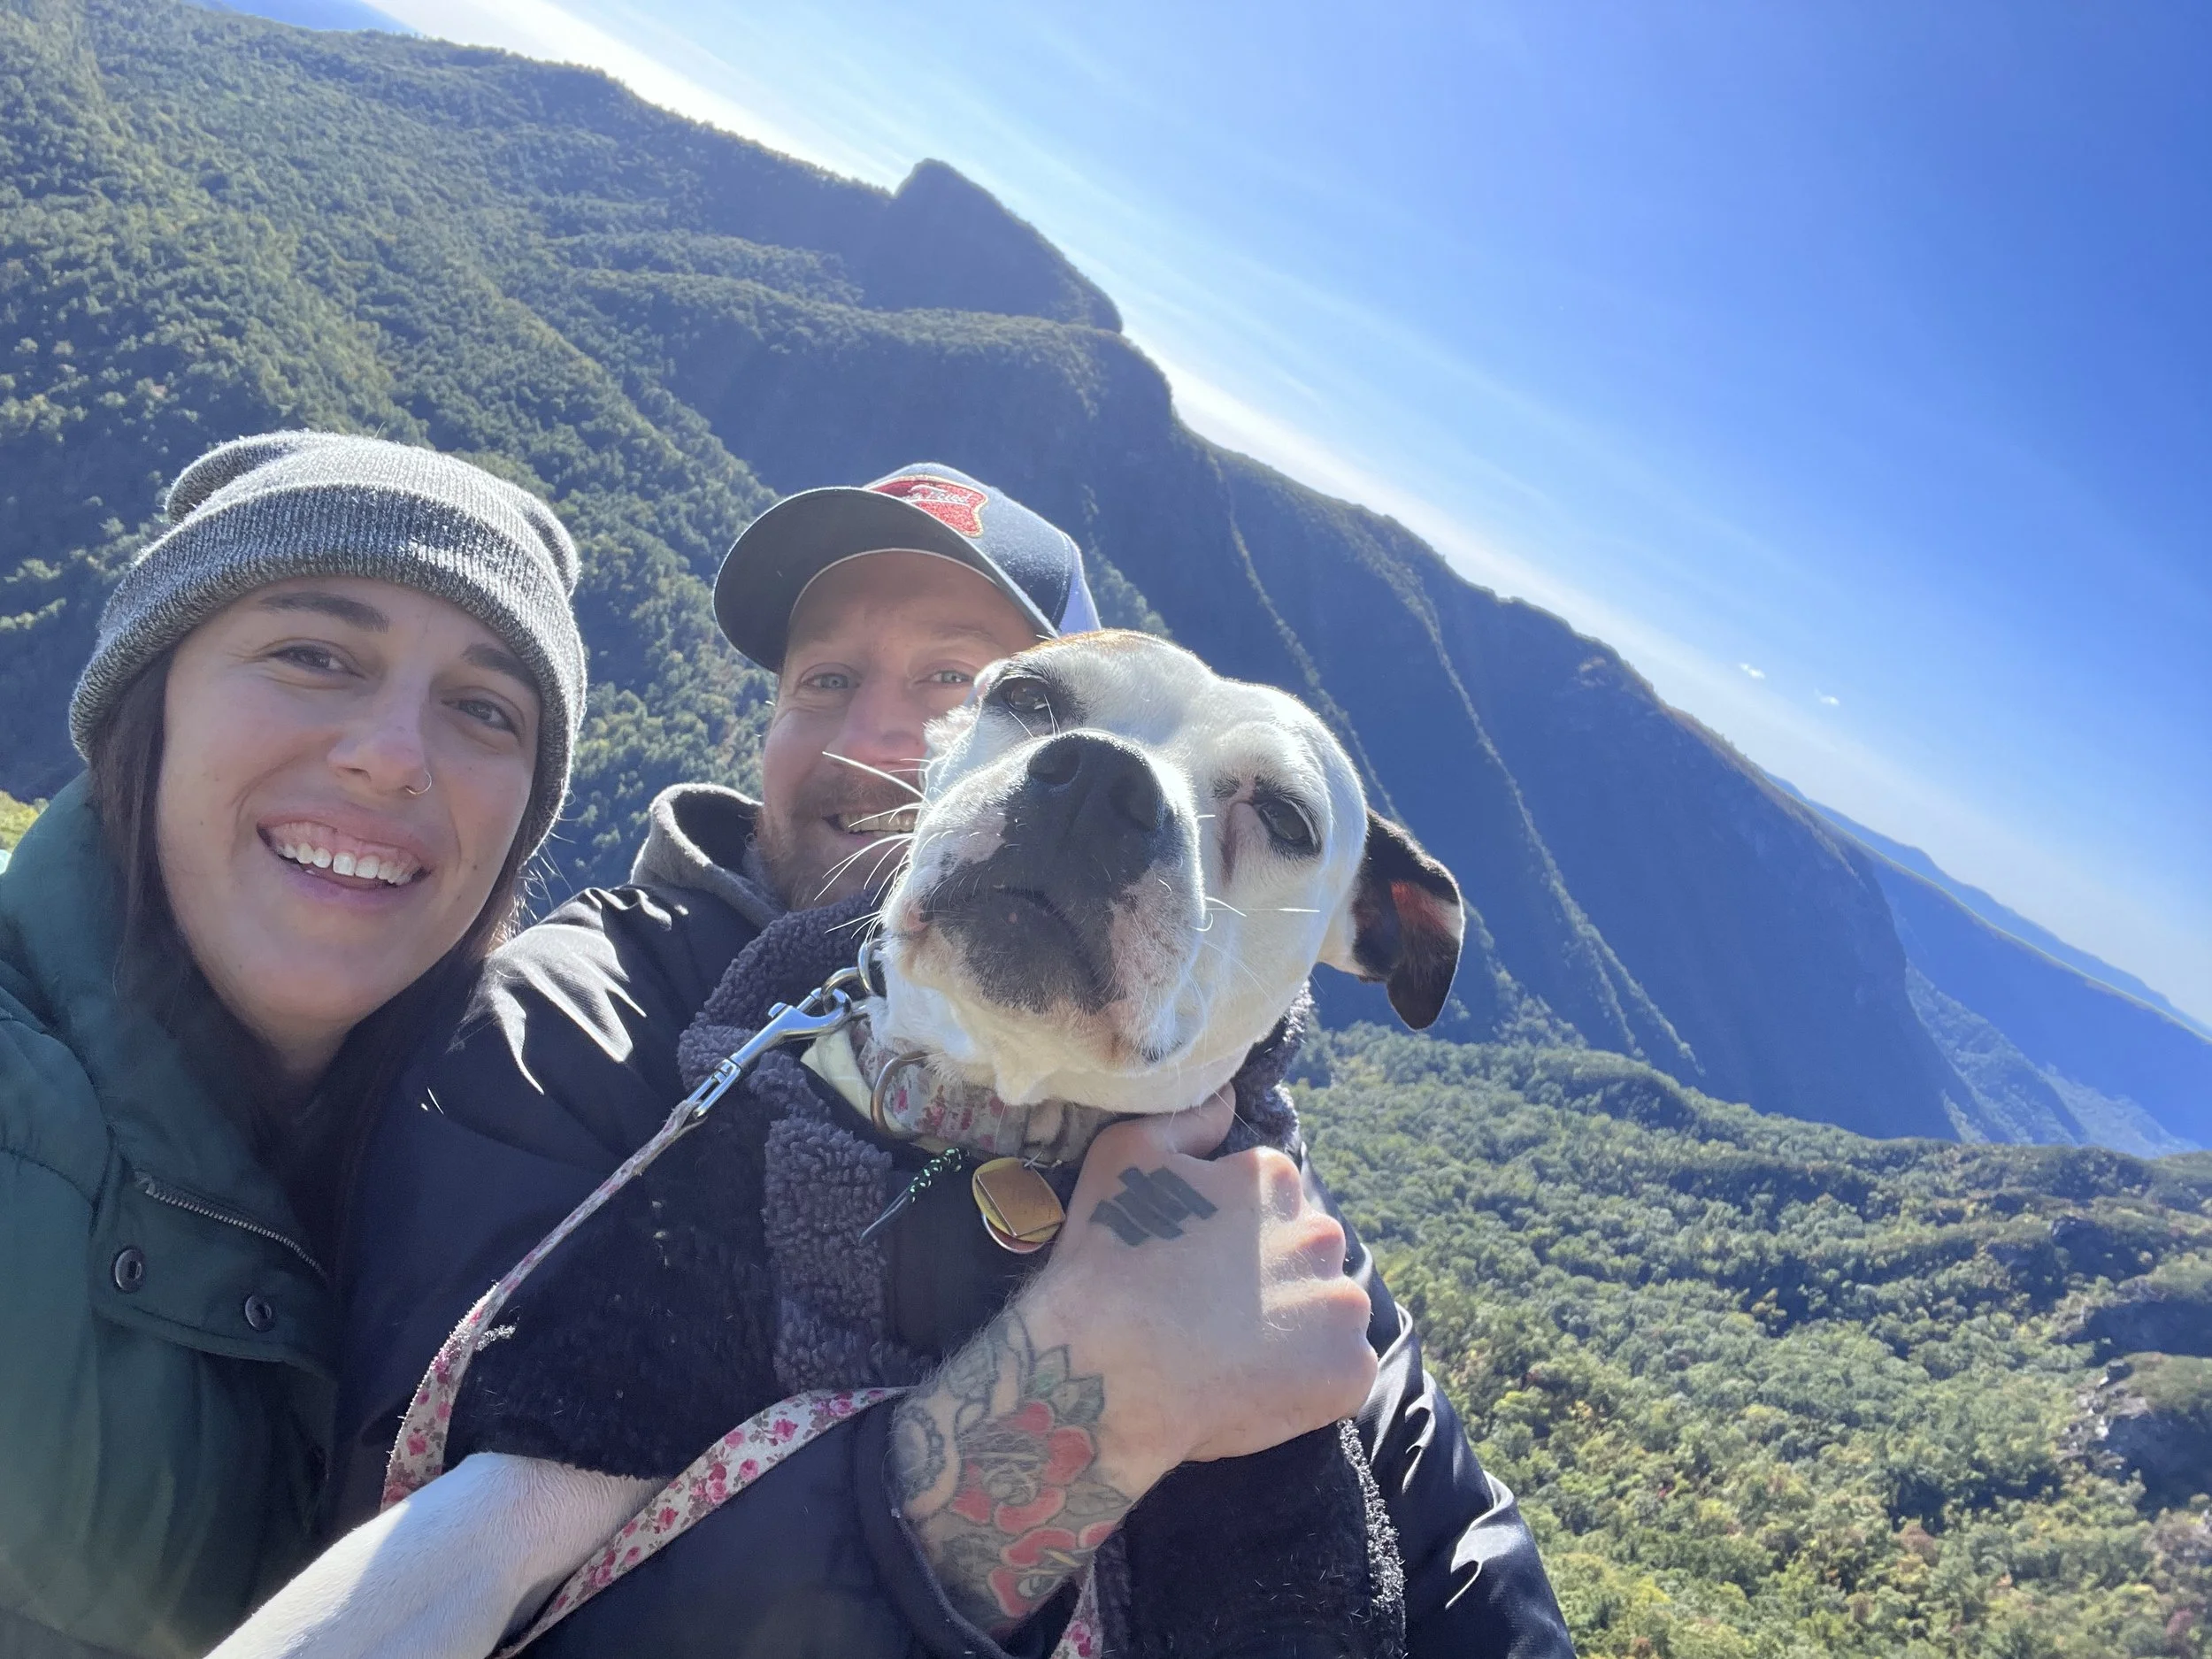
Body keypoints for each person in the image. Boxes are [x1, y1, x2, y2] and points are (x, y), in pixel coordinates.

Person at [336, 463, 1574, 1656]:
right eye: (825, 678)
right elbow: (411, 1503)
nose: (878, 731)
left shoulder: (1275, 1233)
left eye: (953, 679)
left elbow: (1467, 1578)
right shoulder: (580, 1016)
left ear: (1365, 934)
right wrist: (1085, 1404)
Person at [0, 432, 587, 1659]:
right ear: (148, 703)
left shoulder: (510, 1191)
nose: (393, 754)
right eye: (313, 656)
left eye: (483, 709)